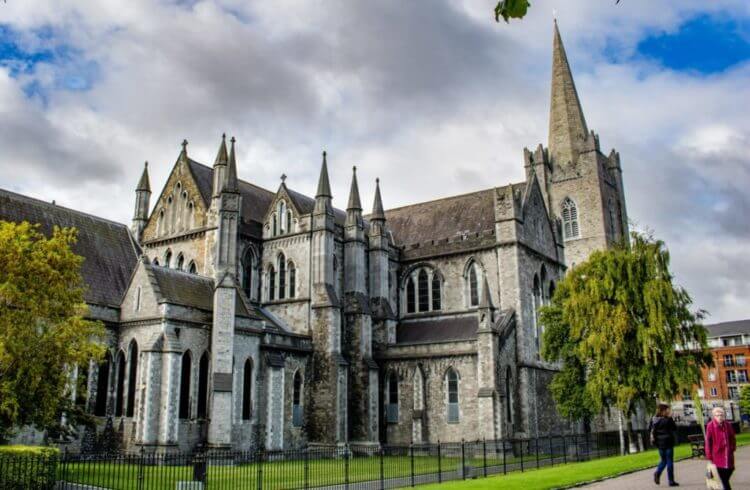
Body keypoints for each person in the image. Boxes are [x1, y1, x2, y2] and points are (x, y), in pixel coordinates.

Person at [705, 406, 737, 490]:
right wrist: (709, 456)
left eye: (721, 415)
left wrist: (732, 448)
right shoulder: (710, 426)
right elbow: (708, 441)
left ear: (724, 416)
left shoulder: (728, 425)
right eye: (717, 415)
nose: (720, 417)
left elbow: (732, 437)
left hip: (728, 455)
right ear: (713, 416)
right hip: (717, 455)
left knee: (730, 470)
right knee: (724, 480)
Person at [649, 403, 679, 486]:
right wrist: (671, 418)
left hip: (659, 443)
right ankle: (671, 481)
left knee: (663, 460)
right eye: (667, 409)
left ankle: (657, 472)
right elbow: (674, 428)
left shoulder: (654, 419)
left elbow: (650, 429)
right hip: (668, 442)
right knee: (669, 461)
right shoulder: (668, 419)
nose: (668, 411)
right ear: (663, 411)